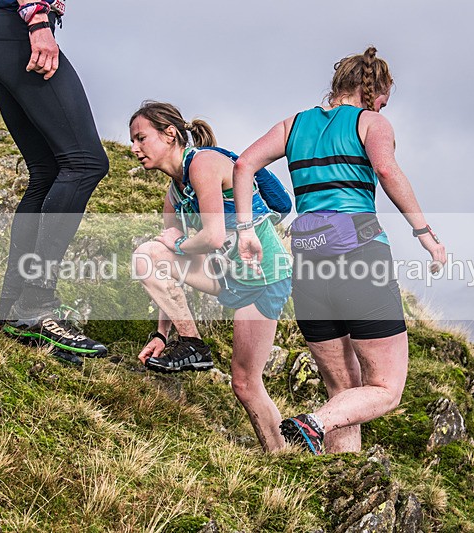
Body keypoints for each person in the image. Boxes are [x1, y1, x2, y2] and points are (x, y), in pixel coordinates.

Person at [233, 47, 447, 455]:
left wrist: (246, 230)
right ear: (374, 91)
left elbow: (243, 165)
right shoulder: (372, 122)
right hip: (359, 254)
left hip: (309, 261)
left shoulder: (292, 125)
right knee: (385, 389)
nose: (385, 105)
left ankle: (341, 469)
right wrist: (425, 233)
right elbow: (386, 170)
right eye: (385, 98)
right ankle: (314, 422)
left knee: (342, 387)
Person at [130, 101, 292, 452]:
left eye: (141, 138)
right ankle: (191, 343)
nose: (134, 148)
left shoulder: (203, 164)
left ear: (170, 134)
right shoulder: (173, 193)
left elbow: (214, 237)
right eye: (133, 141)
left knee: (245, 382)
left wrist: (179, 242)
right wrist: (162, 334)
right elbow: (165, 263)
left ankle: (280, 455)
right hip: (227, 273)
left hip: (263, 276)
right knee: (147, 257)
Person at [0, 0, 110, 360]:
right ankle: (36, 305)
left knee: (48, 171)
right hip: (17, 30)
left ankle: (9, 313)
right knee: (86, 163)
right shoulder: (31, 26)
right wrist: (37, 21)